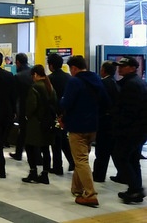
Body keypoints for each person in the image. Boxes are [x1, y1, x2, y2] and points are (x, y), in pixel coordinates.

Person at [60, 55, 109, 207]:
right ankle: (77, 188)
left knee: (80, 160)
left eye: (70, 69)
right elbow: (106, 102)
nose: (71, 72)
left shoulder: (74, 81)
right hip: (92, 126)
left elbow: (66, 103)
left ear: (74, 68)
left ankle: (90, 194)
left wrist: (61, 103)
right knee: (81, 158)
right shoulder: (96, 79)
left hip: (77, 126)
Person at [111, 56, 147, 203]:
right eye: (119, 65)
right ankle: (135, 189)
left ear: (133, 68)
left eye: (123, 66)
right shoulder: (138, 82)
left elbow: (128, 111)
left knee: (120, 157)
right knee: (132, 159)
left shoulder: (131, 85)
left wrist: (119, 127)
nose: (119, 68)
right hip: (139, 130)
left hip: (130, 130)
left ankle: (135, 188)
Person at [21, 65, 56, 185]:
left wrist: (27, 115)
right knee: (45, 149)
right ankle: (45, 174)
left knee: (30, 147)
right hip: (48, 122)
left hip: (35, 123)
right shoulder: (50, 87)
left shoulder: (35, 88)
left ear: (35, 74)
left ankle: (33, 172)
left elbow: (31, 106)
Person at [47, 53, 75, 175]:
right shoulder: (69, 77)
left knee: (56, 141)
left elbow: (49, 98)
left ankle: (57, 166)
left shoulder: (50, 79)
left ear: (51, 65)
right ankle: (72, 161)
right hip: (67, 113)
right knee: (63, 139)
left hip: (54, 114)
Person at [92, 61, 119, 183]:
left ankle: (98, 174)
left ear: (104, 70)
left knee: (101, 150)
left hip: (104, 120)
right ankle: (120, 173)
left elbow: (98, 102)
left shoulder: (102, 84)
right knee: (111, 149)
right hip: (114, 121)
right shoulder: (117, 83)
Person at [10, 53, 33, 161]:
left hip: (23, 107)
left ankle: (19, 153)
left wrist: (14, 110)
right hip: (34, 107)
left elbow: (14, 95)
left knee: (23, 131)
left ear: (18, 62)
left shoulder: (18, 76)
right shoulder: (33, 73)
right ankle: (36, 156)